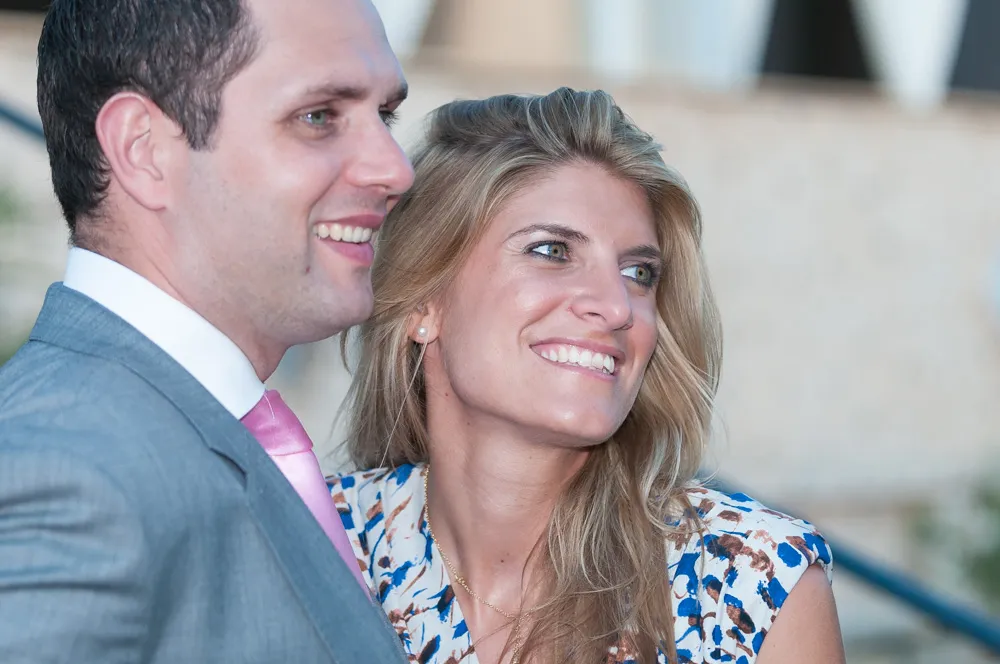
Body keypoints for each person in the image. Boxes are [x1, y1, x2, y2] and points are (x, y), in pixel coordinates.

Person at [330, 88, 846, 664]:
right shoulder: (315, 540)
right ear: (423, 301)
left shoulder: (746, 584)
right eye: (552, 251)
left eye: (638, 272)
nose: (617, 306)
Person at [0, 0, 413, 661]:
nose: (395, 169)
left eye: (384, 115)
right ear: (142, 150)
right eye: (319, 117)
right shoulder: (68, 473)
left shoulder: (172, 431)